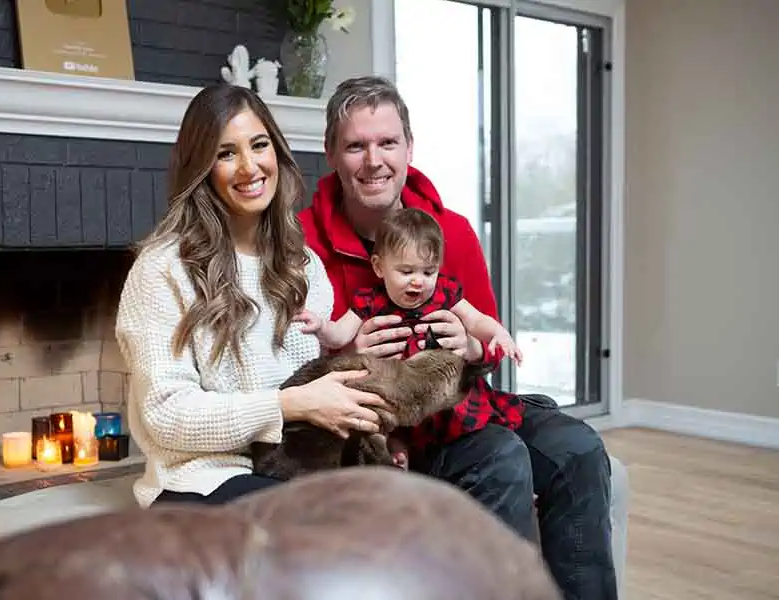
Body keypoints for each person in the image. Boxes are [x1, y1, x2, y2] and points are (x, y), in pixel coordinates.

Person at [299, 75, 618, 600]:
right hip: (380, 422)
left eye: (387, 142)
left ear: (409, 148)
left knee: (578, 448)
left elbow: (486, 347)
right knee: (499, 456)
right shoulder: (302, 240)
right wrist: (347, 351)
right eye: (355, 145)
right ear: (332, 153)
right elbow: (294, 358)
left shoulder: (454, 231)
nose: (373, 160)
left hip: (462, 403)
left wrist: (470, 348)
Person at [114, 83, 391, 508]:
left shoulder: (302, 266)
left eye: (258, 145)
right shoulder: (162, 269)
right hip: (198, 481)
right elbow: (165, 418)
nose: (249, 167)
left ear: (275, 152)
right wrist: (286, 405)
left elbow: (322, 393)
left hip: (292, 469)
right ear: (202, 168)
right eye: (226, 154)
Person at [295, 206, 522, 365]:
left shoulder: (444, 292)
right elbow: (339, 335)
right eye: (406, 271)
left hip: (438, 388)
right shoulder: (370, 300)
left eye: (428, 271)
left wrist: (498, 333)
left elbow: (476, 320)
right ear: (379, 267)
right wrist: (321, 327)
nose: (418, 280)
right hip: (394, 386)